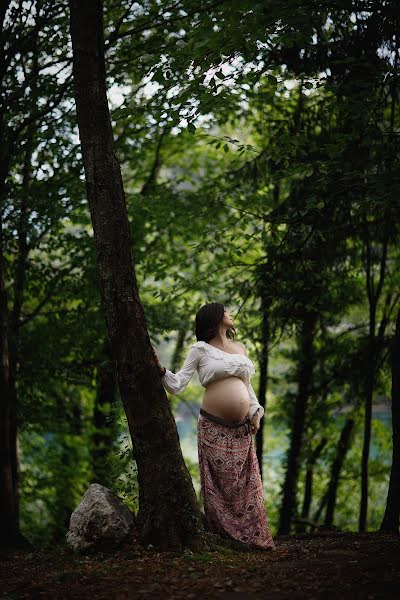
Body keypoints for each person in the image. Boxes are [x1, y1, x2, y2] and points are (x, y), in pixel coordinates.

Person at [152, 302, 276, 551]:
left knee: (245, 484)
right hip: (213, 427)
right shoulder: (200, 349)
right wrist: (161, 370)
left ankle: (251, 538)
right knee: (219, 484)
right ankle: (225, 537)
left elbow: (247, 386)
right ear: (217, 318)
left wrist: (256, 412)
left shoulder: (240, 348)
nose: (231, 315)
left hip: (243, 429)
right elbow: (178, 384)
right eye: (226, 311)